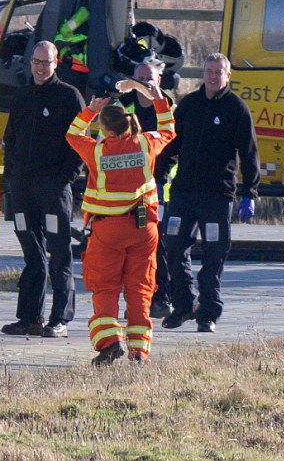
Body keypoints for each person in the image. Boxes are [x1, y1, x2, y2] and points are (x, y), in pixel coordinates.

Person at [66, 79, 175, 365]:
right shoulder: (145, 143)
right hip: (143, 228)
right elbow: (168, 129)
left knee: (106, 287)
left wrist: (90, 110)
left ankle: (110, 343)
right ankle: (139, 351)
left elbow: (72, 134)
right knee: (141, 287)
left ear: (106, 128)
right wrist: (156, 97)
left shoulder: (98, 151)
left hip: (107, 230)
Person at [155, 53, 260, 334]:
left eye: (219, 72)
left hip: (217, 196)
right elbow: (169, 145)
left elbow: (249, 155)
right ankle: (183, 305)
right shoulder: (189, 105)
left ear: (228, 75)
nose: (213, 77)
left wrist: (249, 193)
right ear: (203, 74)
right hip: (183, 194)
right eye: (209, 71)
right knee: (173, 247)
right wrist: (158, 177)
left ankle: (208, 313)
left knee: (214, 254)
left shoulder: (236, 109)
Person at [1, 41, 86, 338]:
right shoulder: (23, 96)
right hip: (23, 187)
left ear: (55, 63)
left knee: (59, 253)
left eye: (45, 62)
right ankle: (29, 318)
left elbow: (80, 144)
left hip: (53, 187)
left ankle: (59, 319)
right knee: (32, 254)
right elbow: (10, 138)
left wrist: (65, 177)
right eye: (36, 61)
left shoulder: (69, 96)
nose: (39, 67)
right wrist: (9, 177)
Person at [118, 61, 175, 319]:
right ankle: (136, 298)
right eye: (140, 78)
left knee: (158, 245)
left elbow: (175, 146)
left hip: (159, 191)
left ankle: (161, 297)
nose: (145, 83)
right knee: (132, 248)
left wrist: (158, 178)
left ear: (159, 80)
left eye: (149, 78)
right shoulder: (122, 109)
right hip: (129, 193)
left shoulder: (169, 108)